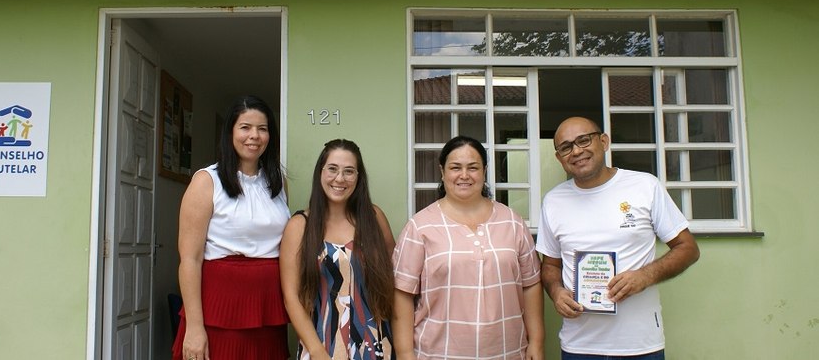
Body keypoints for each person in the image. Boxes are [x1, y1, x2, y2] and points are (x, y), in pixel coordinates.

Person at [536, 117, 701, 360]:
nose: (577, 151)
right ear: (559, 157)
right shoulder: (553, 201)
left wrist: (645, 276)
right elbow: (550, 266)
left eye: (584, 140)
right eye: (566, 147)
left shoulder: (644, 186)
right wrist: (556, 291)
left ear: (603, 141)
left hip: (640, 345)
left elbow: (688, 248)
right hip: (579, 346)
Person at [392, 135, 544, 360]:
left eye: (473, 167)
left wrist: (537, 342)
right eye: (455, 168)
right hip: (437, 353)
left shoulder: (512, 222)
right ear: (443, 172)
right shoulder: (420, 226)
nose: (464, 175)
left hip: (507, 351)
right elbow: (402, 294)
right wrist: (405, 354)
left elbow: (531, 284)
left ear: (484, 171)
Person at [172, 95, 290, 360]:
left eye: (262, 128)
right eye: (245, 127)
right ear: (231, 132)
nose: (254, 136)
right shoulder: (206, 181)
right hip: (219, 306)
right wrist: (194, 327)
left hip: (267, 308)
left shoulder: (278, 182)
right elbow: (190, 259)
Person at [280, 139, 396, 360]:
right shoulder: (300, 225)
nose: (340, 179)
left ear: (358, 177)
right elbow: (291, 297)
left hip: (377, 345)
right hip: (322, 345)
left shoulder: (374, 217)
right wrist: (316, 351)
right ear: (320, 172)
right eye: (332, 169)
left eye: (349, 171)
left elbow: (396, 279)